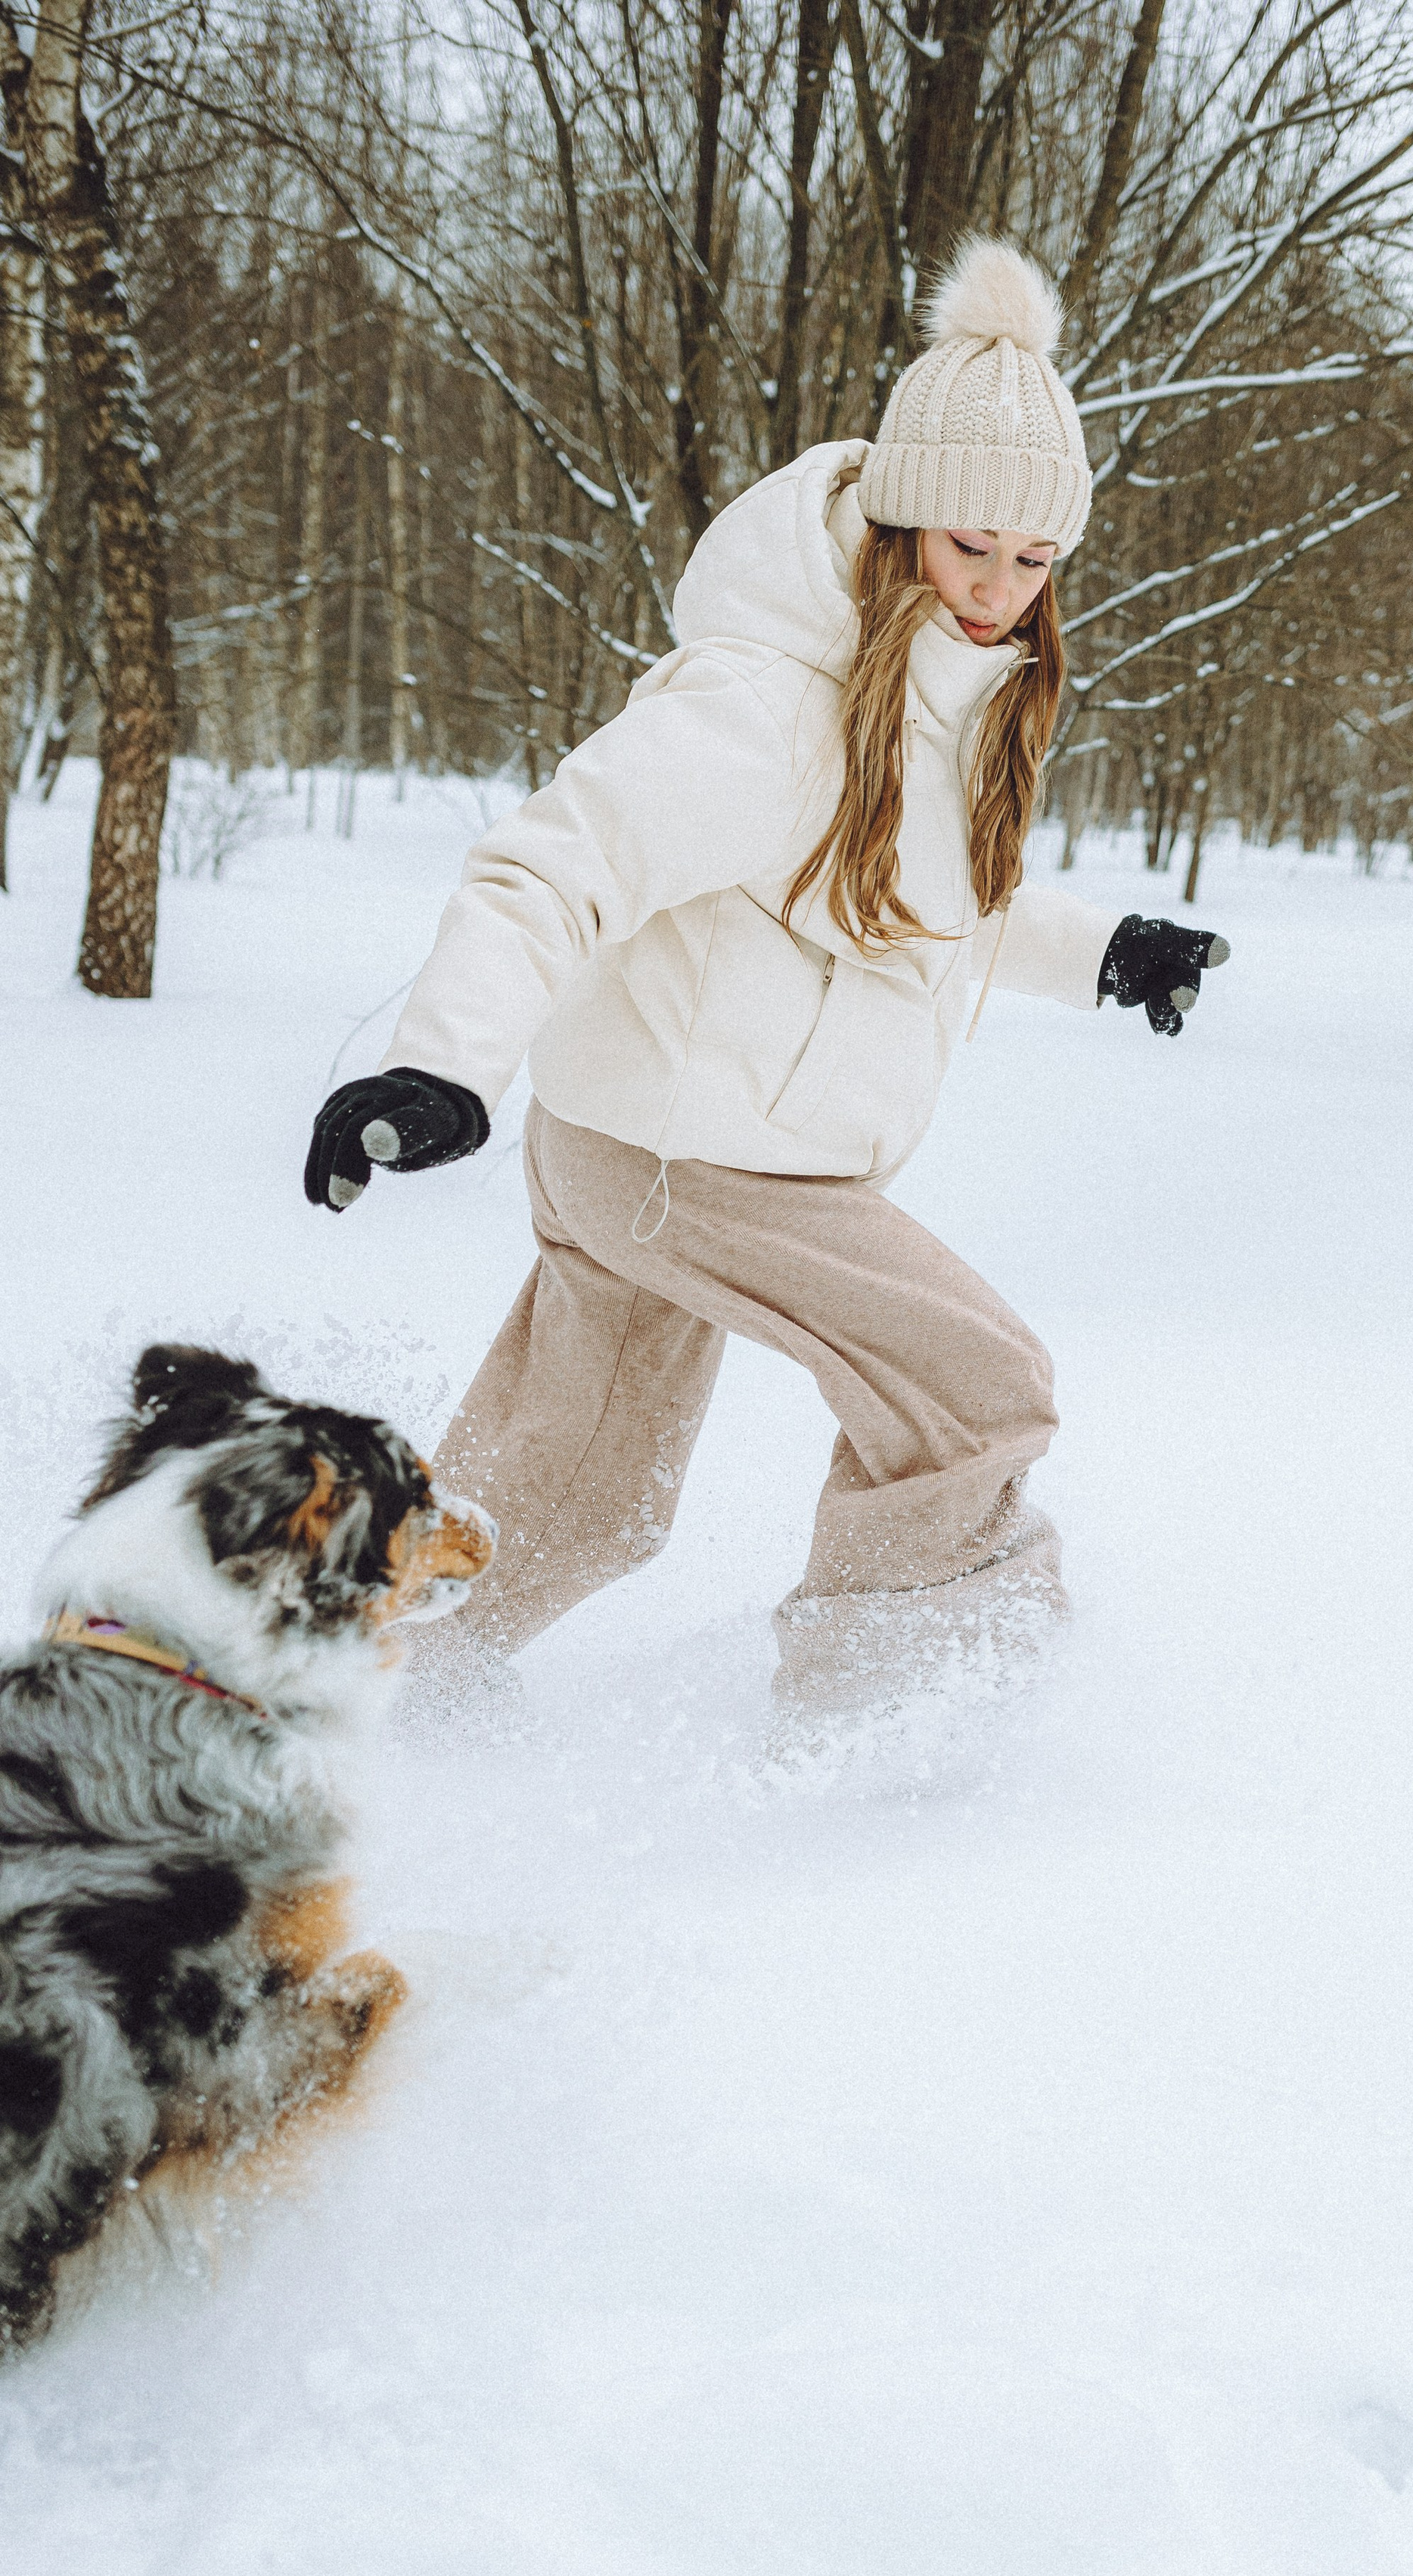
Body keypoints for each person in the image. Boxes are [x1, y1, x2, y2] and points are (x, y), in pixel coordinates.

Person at [304, 238, 1228, 1718]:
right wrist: (437, 1063)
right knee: (976, 1389)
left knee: (582, 1497)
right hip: (700, 1160)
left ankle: (380, 1695)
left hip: (652, 1147)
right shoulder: (767, 701)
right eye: (968, 546)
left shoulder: (932, 704)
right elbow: (556, 858)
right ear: (895, 520)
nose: (997, 589)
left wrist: (1102, 951)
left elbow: (928, 905)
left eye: (1034, 557)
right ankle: (886, 1728)